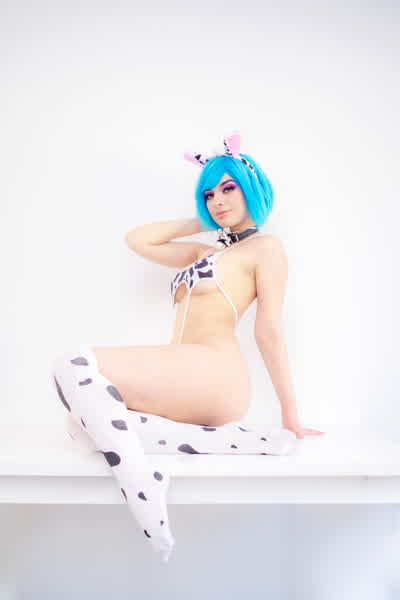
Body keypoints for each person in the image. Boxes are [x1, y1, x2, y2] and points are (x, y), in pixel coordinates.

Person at [51, 131, 324, 563]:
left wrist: (291, 414)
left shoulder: (266, 249)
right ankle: (231, 440)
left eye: (228, 188)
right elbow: (138, 239)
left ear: (251, 187)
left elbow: (269, 330)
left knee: (73, 363)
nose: (218, 200)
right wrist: (205, 220)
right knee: (80, 424)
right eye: (209, 194)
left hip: (216, 372)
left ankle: (141, 482)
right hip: (185, 375)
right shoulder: (202, 252)